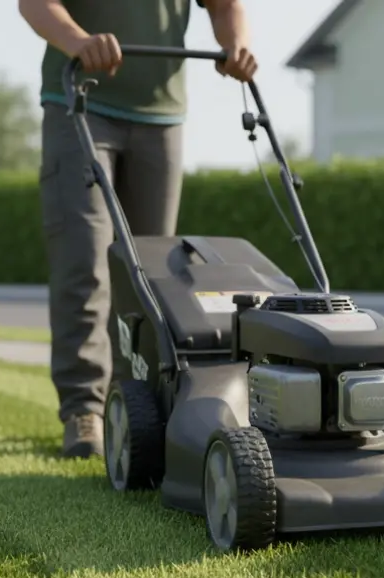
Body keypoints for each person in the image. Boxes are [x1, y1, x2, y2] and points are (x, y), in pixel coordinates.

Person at [18, 0, 258, 458]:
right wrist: (79, 42)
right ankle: (84, 409)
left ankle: (136, 405)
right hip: (80, 101)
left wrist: (236, 46)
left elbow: (226, 6)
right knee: (84, 260)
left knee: (149, 278)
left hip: (161, 115)